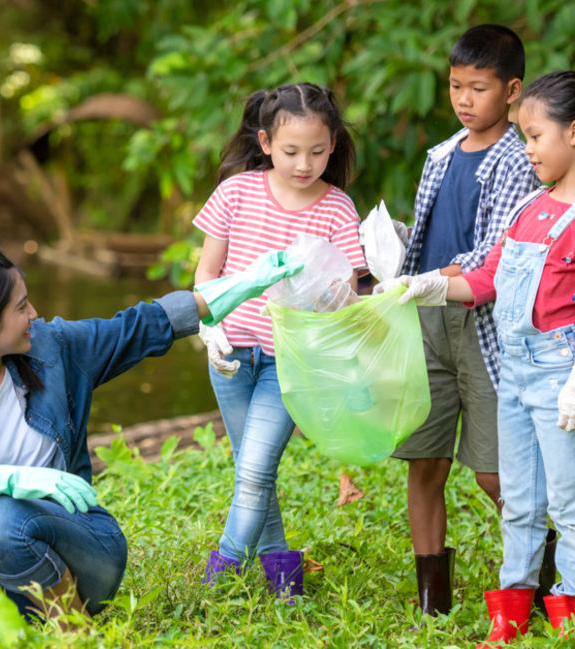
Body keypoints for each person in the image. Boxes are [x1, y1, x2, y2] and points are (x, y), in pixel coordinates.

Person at [0, 246, 300, 623]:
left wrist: (245, 283)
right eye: (20, 307)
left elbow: (145, 324)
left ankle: (73, 632)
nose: (33, 313)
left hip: (83, 557)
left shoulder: (56, 349)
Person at [381, 70, 575, 645]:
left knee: (570, 497)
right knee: (519, 499)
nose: (526, 150)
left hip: (560, 370)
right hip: (517, 371)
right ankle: (511, 617)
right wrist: (422, 287)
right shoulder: (531, 206)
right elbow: (488, 279)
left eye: (533, 136)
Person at [193, 82, 366, 603]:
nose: (304, 164)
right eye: (291, 151)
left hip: (289, 362)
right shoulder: (235, 193)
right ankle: (284, 578)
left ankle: (215, 578)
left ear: (333, 144)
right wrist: (209, 327)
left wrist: (339, 296)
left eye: (317, 151)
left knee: (253, 469)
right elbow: (207, 273)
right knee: (254, 468)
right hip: (229, 356)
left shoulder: (337, 208)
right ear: (266, 142)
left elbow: (348, 294)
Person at [389, 24, 539, 618]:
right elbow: (424, 240)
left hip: (482, 327)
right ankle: (433, 601)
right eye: (455, 86)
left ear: (512, 90)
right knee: (425, 463)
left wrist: (438, 275)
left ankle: (539, 571)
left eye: (477, 88)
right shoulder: (441, 155)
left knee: (493, 473)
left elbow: (497, 251)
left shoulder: (516, 160)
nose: (463, 99)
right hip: (427, 321)